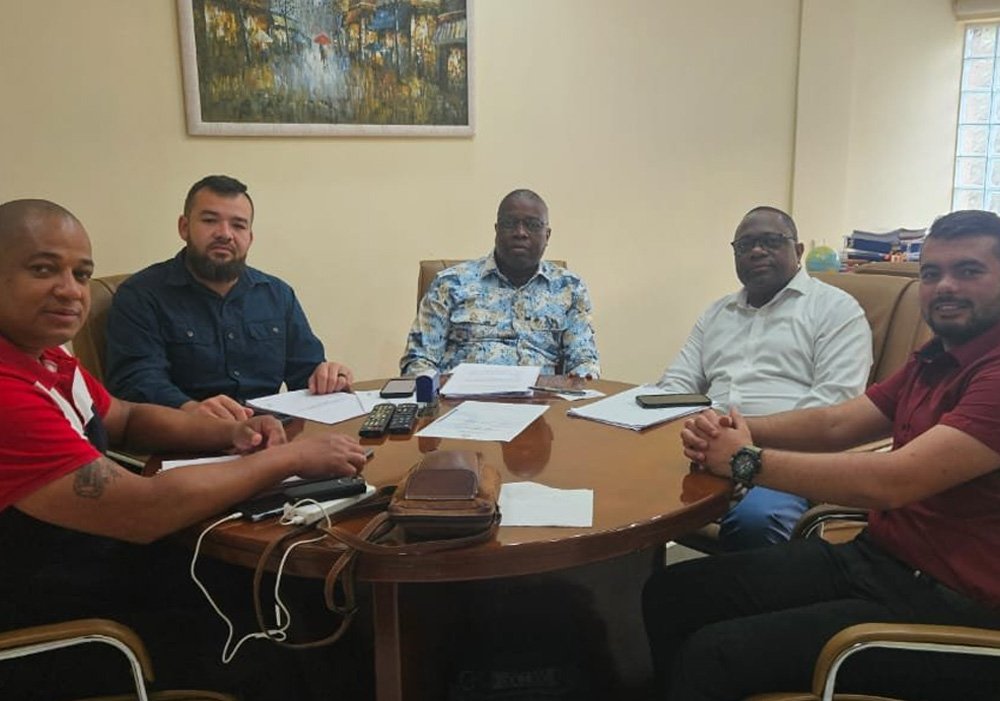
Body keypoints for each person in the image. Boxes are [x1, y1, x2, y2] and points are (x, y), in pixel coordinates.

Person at [0, 199, 370, 699]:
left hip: (108, 566)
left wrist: (226, 433)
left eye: (81, 273)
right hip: (69, 619)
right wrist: (286, 458)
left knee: (305, 593)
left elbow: (126, 417)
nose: (69, 290)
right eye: (44, 270)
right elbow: (145, 510)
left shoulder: (45, 357)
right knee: (290, 630)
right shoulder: (7, 392)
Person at [643, 209, 1000, 701]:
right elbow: (838, 422)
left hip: (946, 602)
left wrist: (746, 459)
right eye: (932, 274)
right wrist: (739, 431)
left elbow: (894, 481)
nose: (945, 288)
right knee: (672, 594)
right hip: (880, 559)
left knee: (714, 654)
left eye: (969, 271)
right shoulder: (936, 355)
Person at [656, 206, 872, 549]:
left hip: (788, 457)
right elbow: (676, 384)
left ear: (798, 251)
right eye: (746, 245)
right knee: (624, 487)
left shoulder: (836, 310)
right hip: (705, 449)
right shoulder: (717, 313)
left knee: (756, 521)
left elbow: (834, 407)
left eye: (771, 241)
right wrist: (696, 431)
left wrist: (743, 440)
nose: (757, 251)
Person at [105, 175, 353, 421]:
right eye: (210, 220)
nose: (225, 234)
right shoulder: (141, 295)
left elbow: (306, 372)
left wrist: (327, 375)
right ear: (184, 227)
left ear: (250, 237)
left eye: (238, 225)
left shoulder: (277, 294)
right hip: (186, 439)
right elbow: (137, 382)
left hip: (271, 435)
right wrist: (190, 409)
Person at [399, 189, 601, 378]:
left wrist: (581, 382)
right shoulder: (450, 283)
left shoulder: (570, 288)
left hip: (542, 407)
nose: (520, 232)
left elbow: (584, 361)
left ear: (547, 235)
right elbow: (419, 362)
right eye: (510, 223)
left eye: (532, 224)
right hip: (461, 406)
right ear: (496, 230)